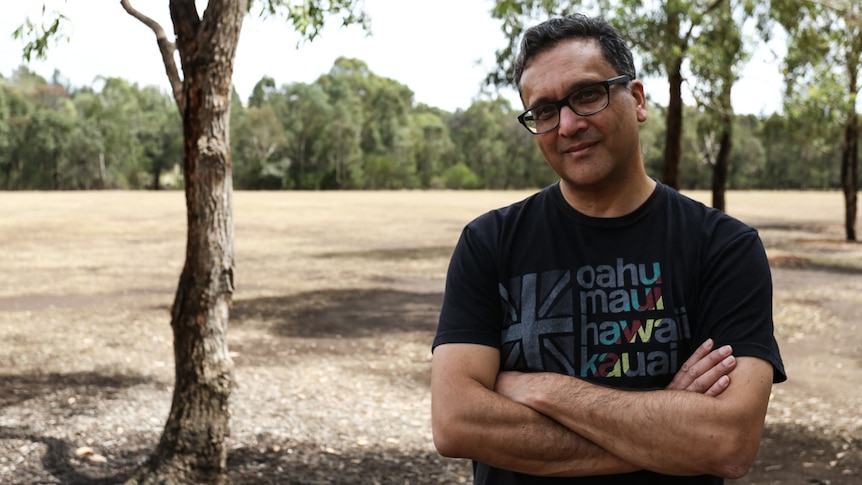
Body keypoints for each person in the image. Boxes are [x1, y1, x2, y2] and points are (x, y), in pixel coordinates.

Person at [430, 13, 786, 485]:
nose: (568, 124)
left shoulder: (723, 247)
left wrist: (541, 389)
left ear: (636, 98)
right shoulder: (490, 242)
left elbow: (727, 442)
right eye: (544, 111)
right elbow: (457, 424)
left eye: (587, 95)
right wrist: (665, 429)